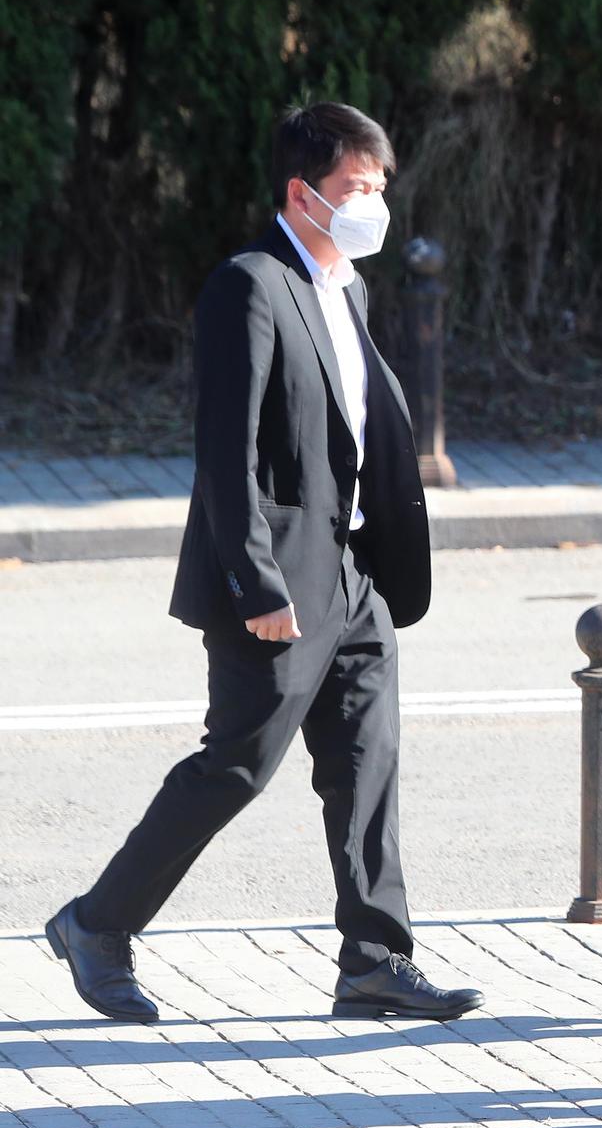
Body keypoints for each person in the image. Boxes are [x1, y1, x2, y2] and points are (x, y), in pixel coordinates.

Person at [46, 103, 483, 1024]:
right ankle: (97, 924)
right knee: (238, 765)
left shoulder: (347, 287)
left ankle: (375, 961)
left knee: (367, 761)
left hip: (355, 575)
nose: (373, 206)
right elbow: (226, 452)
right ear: (303, 192)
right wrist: (256, 584)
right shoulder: (250, 284)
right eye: (356, 189)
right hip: (278, 580)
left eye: (379, 188)